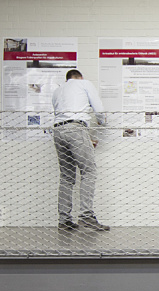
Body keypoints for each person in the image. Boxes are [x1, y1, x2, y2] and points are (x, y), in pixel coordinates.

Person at [51, 69, 109, 231]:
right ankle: (86, 216)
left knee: (67, 176)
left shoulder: (57, 91)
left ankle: (64, 219)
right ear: (80, 77)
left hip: (58, 131)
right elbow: (98, 110)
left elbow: (62, 115)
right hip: (76, 129)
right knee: (88, 171)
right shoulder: (84, 84)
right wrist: (102, 122)